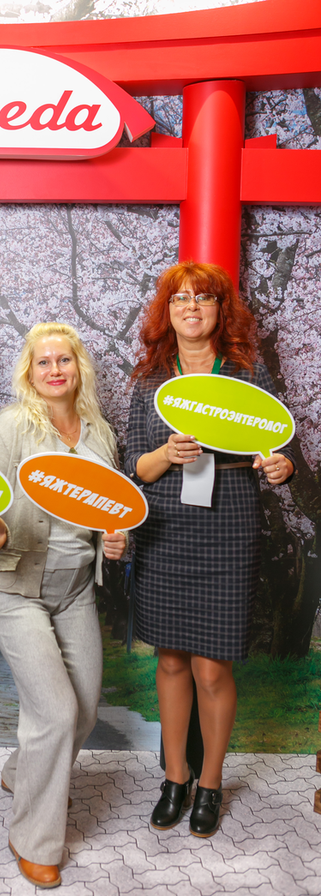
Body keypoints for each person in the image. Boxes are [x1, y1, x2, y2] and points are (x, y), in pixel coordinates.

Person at [125, 261, 295, 838]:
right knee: (171, 659)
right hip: (165, 529)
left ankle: (211, 784)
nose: (191, 307)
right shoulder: (150, 378)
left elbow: (278, 447)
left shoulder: (246, 375)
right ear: (167, 311)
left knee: (212, 667)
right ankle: (175, 778)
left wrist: (283, 466)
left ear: (222, 310)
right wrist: (164, 456)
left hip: (229, 527)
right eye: (180, 299)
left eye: (204, 298)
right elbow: (135, 465)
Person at [0, 322, 126, 889]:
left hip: (75, 587)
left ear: (79, 367)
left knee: (82, 711)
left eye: (64, 359)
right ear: (29, 372)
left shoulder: (100, 433)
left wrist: (115, 539)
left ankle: (22, 772)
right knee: (56, 712)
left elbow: (108, 508)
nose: (55, 369)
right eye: (44, 361)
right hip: (14, 586)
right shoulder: (10, 427)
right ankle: (34, 840)